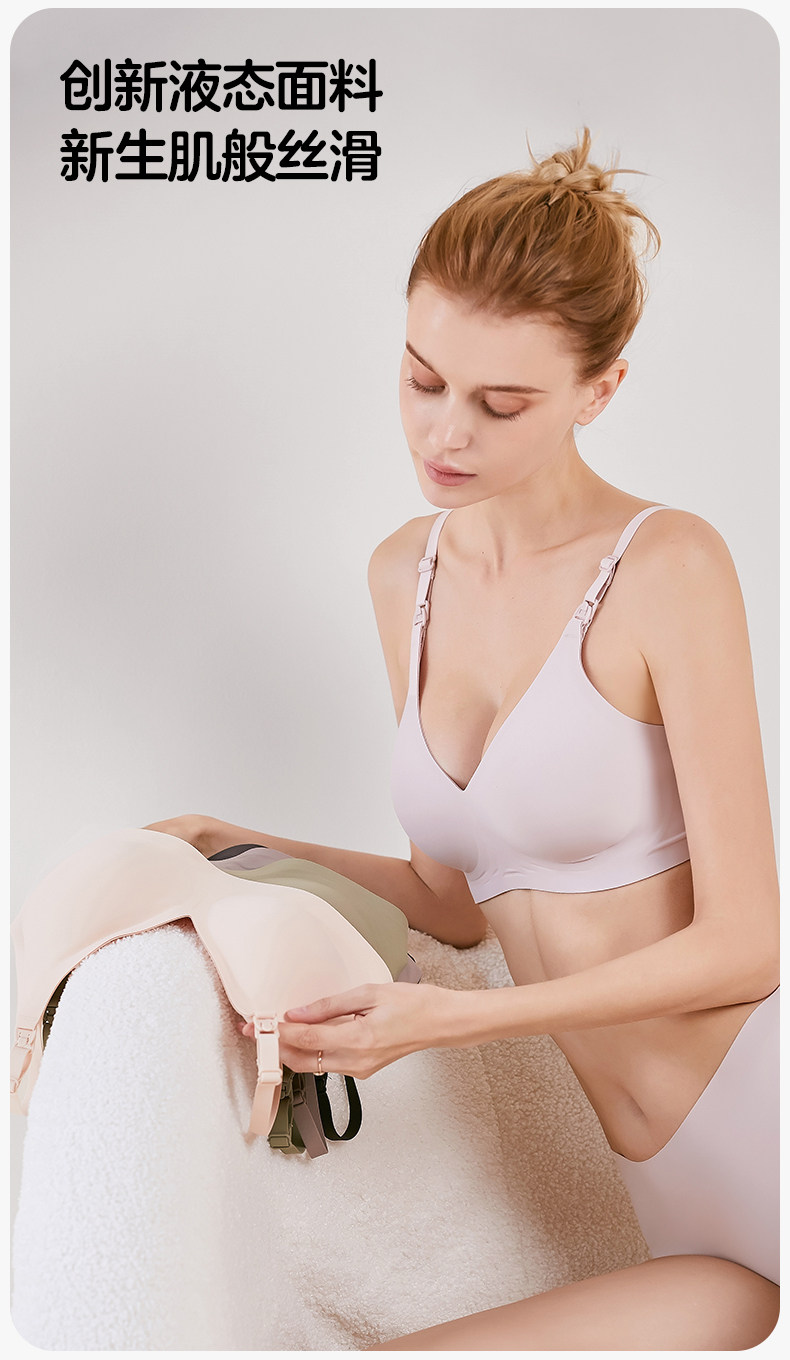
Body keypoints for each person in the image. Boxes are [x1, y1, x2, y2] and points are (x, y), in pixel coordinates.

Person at [150, 129, 778, 1349]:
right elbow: (455, 897)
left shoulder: (667, 566)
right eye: (421, 379)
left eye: (501, 404)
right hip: (695, 1225)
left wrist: (441, 1023)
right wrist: (235, 837)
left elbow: (748, 945)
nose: (445, 434)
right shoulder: (405, 575)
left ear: (600, 391)